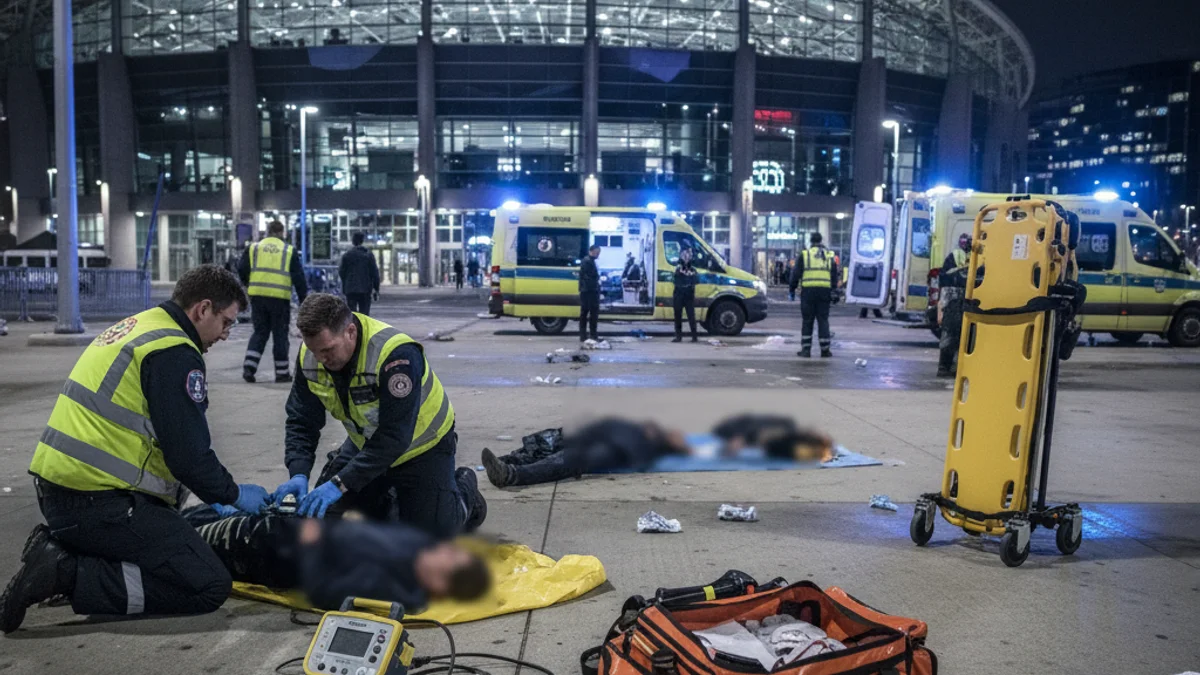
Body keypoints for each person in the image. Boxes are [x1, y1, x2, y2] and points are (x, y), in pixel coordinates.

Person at [0, 265, 272, 634]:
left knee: (175, 537)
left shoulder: (140, 326)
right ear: (203, 309)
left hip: (63, 494)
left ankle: (72, 554)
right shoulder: (174, 350)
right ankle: (66, 572)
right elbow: (188, 455)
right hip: (99, 504)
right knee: (207, 584)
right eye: (226, 322)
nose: (226, 334)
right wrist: (234, 495)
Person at [272, 294, 487, 539]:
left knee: (429, 539)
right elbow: (302, 419)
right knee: (323, 523)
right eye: (314, 350)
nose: (321, 359)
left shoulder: (396, 356)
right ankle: (390, 501)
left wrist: (340, 483)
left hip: (422, 447)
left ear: (350, 332)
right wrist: (299, 473)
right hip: (368, 445)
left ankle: (465, 492)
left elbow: (395, 436)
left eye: (328, 350)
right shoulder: (312, 355)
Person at [186, 506, 491, 612]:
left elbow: (323, 589)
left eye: (450, 557)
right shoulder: (414, 551)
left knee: (182, 539)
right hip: (286, 523)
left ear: (439, 585)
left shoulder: (394, 587)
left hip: (262, 546)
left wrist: (312, 543)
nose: (443, 550)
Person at [481, 420, 688, 487]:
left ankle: (512, 475)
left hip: (615, 450)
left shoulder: (652, 448)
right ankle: (510, 461)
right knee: (556, 438)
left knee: (573, 457)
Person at [240, 220, 308, 383]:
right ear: (282, 232)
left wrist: (248, 284)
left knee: (259, 332)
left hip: (257, 296)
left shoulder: (254, 248)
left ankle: (249, 367)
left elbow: (241, 268)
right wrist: (303, 299)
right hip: (280, 298)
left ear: (267, 232)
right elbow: (298, 277)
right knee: (280, 335)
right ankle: (282, 372)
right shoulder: (288, 250)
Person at [789, 232, 838, 358]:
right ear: (821, 241)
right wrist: (834, 291)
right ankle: (825, 350)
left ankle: (806, 350)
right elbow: (834, 275)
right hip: (824, 292)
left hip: (808, 292)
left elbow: (796, 274)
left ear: (810, 241)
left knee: (807, 321)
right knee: (823, 320)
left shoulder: (805, 255)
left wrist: (792, 289)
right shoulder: (828, 255)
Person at [938, 233, 973, 378]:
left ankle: (946, 367)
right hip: (964, 301)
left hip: (953, 301)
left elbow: (943, 280)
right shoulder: (977, 257)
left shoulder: (953, 256)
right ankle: (952, 367)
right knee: (961, 336)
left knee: (950, 336)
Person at [339, 232, 381, 316]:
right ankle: (362, 324)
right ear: (362, 241)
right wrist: (376, 289)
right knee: (364, 314)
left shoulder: (347, 255)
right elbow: (374, 273)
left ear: (353, 241)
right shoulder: (368, 255)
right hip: (365, 289)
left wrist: (344, 286)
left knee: (352, 314)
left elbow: (341, 272)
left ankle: (354, 324)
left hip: (350, 289)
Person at [672, 247, 699, 343]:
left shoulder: (693, 269)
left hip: (688, 296)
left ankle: (694, 336)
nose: (686, 257)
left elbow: (696, 280)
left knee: (691, 316)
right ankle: (678, 336)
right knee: (677, 316)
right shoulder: (678, 268)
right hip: (679, 294)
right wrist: (684, 274)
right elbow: (675, 279)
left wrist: (688, 275)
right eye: (684, 255)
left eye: (688, 255)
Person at [579, 244, 601, 343]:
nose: (598, 254)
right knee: (592, 314)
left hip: (587, 291)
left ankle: (584, 335)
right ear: (592, 251)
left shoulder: (587, 260)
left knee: (585, 314)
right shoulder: (588, 261)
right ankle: (592, 335)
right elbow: (590, 277)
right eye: (597, 252)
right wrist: (596, 285)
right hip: (589, 291)